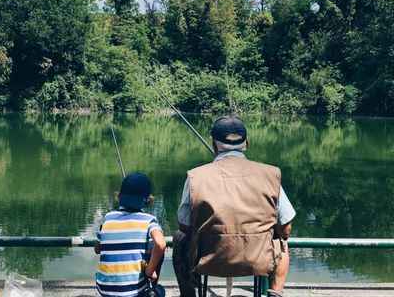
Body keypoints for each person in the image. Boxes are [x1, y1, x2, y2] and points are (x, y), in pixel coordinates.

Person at [172, 117, 296, 297]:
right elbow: (286, 228)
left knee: (179, 238)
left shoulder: (195, 177)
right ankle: (275, 293)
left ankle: (188, 294)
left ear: (213, 144)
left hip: (208, 260)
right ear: (247, 142)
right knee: (282, 242)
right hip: (260, 260)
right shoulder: (271, 174)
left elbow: (184, 226)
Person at [95, 172, 167, 297]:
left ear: (119, 197)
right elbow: (160, 244)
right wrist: (149, 271)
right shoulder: (148, 220)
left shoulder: (107, 218)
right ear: (147, 200)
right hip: (132, 292)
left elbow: (97, 249)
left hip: (104, 289)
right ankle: (151, 287)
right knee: (160, 291)